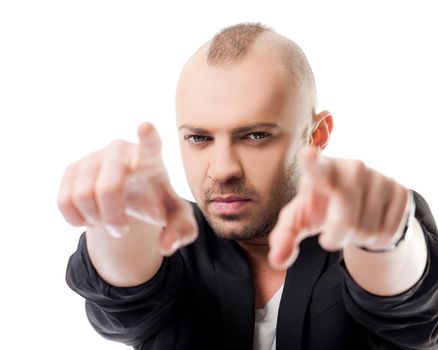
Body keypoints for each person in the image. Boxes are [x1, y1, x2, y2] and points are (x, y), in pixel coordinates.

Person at [59, 23, 438, 350]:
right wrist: (115, 218)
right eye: (199, 138)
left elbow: (414, 305)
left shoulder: (359, 227)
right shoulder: (172, 240)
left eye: (256, 135)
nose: (222, 170)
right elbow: (122, 297)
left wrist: (386, 237)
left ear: (316, 135)